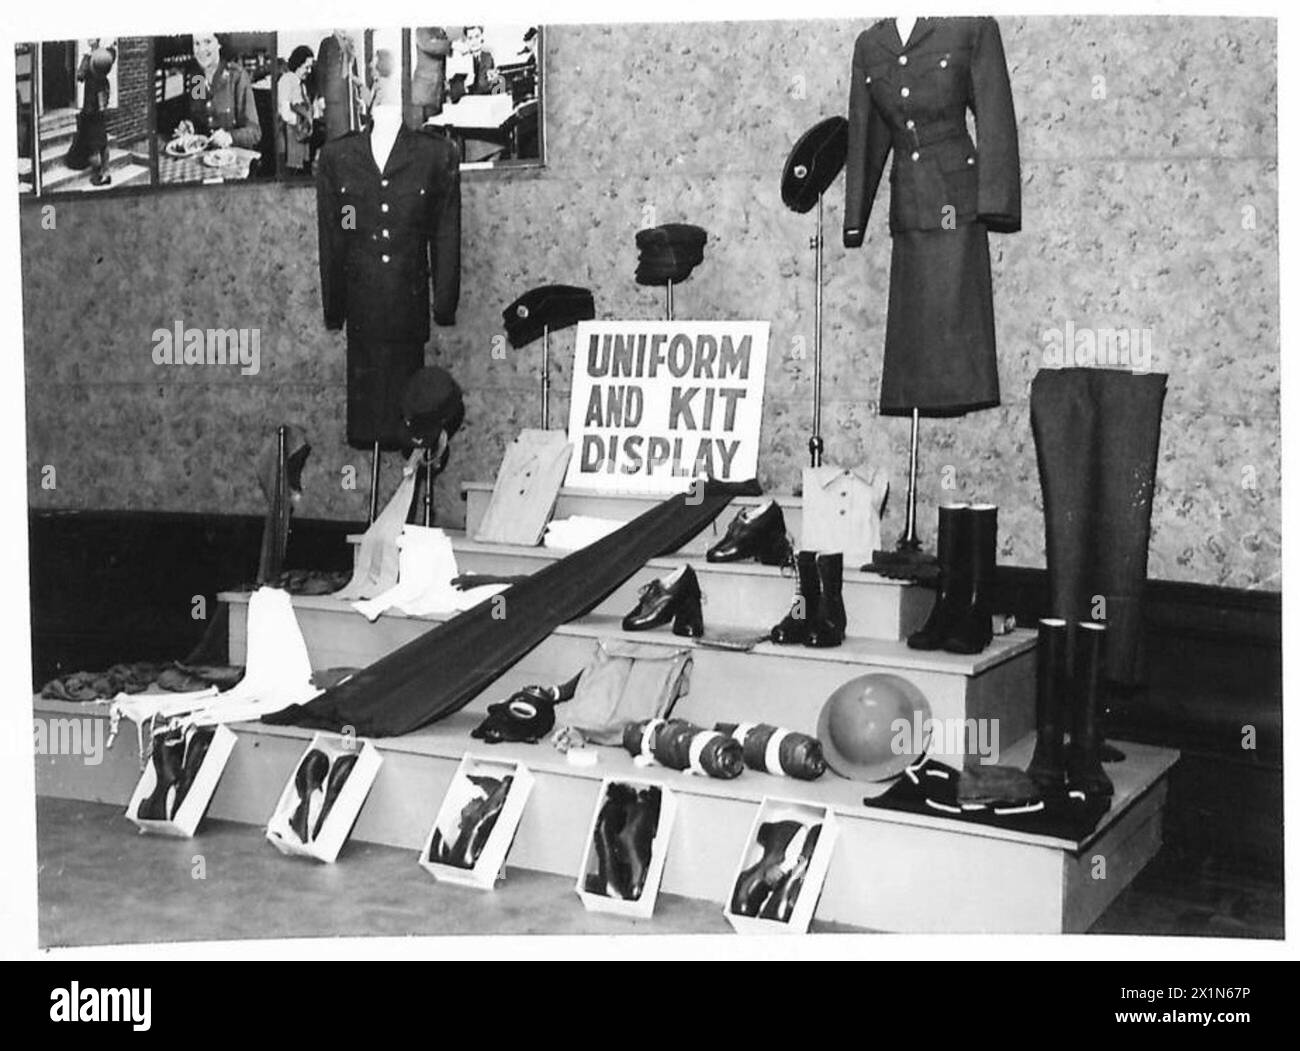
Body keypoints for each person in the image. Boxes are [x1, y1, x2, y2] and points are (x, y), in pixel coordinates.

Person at [172, 31, 261, 150]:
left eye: (207, 42)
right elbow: (198, 118)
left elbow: (254, 132)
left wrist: (230, 137)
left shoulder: (236, 76)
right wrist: (190, 126)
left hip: (234, 157)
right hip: (206, 156)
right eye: (196, 44)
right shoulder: (197, 77)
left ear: (220, 44)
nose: (201, 50)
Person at [67, 39, 115, 186]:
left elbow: (80, 76)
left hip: (93, 110)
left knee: (99, 142)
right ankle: (103, 170)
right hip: (93, 107)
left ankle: (104, 174)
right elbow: (80, 77)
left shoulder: (96, 59)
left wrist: (86, 62)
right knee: (100, 141)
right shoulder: (102, 58)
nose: (89, 39)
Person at [316, 29, 365, 141]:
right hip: (332, 96)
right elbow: (320, 71)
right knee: (335, 132)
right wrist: (320, 96)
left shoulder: (350, 43)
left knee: (351, 129)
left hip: (348, 95)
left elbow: (354, 71)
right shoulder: (326, 43)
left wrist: (358, 94)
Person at [277, 45, 316, 173]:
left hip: (301, 138)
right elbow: (285, 113)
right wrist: (302, 123)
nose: (309, 71)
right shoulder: (287, 80)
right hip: (290, 138)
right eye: (307, 67)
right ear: (298, 64)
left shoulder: (301, 85)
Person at [410, 27, 452, 123]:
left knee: (431, 132)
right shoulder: (423, 29)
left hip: (436, 95)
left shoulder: (440, 31)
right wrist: (452, 45)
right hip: (422, 96)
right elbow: (429, 45)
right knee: (418, 132)